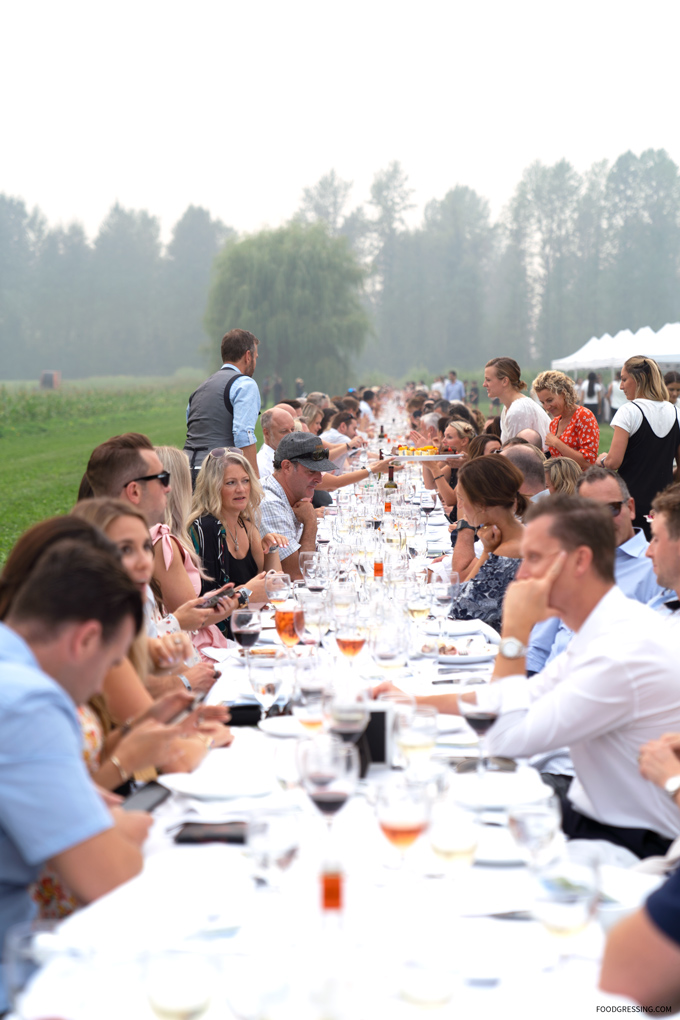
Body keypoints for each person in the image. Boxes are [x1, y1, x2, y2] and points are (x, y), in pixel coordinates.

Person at [397, 496, 680, 858]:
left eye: (534, 559)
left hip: (627, 842)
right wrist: (408, 703)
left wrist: (515, 632)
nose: (522, 574)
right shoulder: (605, 625)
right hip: (591, 815)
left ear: (580, 561)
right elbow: (518, 698)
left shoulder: (619, 649)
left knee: (434, 813)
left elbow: (503, 740)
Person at [0, 538, 150, 1009]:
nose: (102, 680)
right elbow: (113, 877)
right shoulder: (28, 701)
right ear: (85, 640)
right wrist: (114, 824)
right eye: (109, 663)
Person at [189, 449, 289, 616]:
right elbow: (206, 603)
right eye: (231, 483)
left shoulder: (248, 527)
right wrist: (246, 593)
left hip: (249, 624)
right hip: (222, 635)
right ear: (213, 487)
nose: (241, 489)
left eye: (245, 481)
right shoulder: (206, 529)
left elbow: (273, 586)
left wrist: (272, 549)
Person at [598, 356, 680, 536]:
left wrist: (602, 459)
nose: (621, 386)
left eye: (624, 379)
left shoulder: (629, 411)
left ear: (639, 380)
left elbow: (613, 462)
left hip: (631, 502)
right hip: (663, 504)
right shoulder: (676, 412)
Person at [446, 456, 526, 632]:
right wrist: (487, 551)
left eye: (461, 498)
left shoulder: (508, 553)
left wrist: (488, 553)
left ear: (481, 504)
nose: (459, 505)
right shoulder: (518, 534)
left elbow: (459, 609)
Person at [184, 328, 261, 479]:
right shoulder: (245, 384)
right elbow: (243, 434)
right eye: (256, 357)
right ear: (248, 356)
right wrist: (255, 481)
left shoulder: (201, 387)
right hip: (217, 472)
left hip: (185, 469)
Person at [259, 433, 334, 580]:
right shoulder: (270, 503)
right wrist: (311, 520)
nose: (319, 479)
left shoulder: (283, 492)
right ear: (287, 466)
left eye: (320, 471)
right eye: (311, 471)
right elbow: (297, 575)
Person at [534, 370, 599, 469]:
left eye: (550, 400)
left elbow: (589, 461)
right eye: (542, 402)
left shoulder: (584, 416)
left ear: (563, 394)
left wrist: (556, 443)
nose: (546, 406)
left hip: (581, 482)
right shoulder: (554, 423)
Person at [483, 357, 550, 446]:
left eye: (488, 380)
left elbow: (519, 453)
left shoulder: (518, 410)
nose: (484, 384)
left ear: (505, 381)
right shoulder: (510, 408)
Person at [257, 408, 296, 479]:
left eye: (293, 429)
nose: (291, 435)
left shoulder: (293, 456)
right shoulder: (262, 466)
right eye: (284, 431)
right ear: (267, 433)